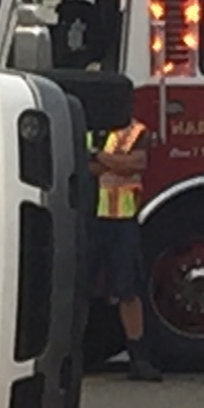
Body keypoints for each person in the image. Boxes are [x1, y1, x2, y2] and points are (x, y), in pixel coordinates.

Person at [86, 92, 160, 382]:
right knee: (80, 293)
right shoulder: (88, 131)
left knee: (129, 291)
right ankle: (73, 357)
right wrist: (115, 161)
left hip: (122, 222)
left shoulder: (136, 131)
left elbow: (137, 164)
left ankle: (139, 360)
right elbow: (85, 167)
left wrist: (101, 158)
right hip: (91, 221)